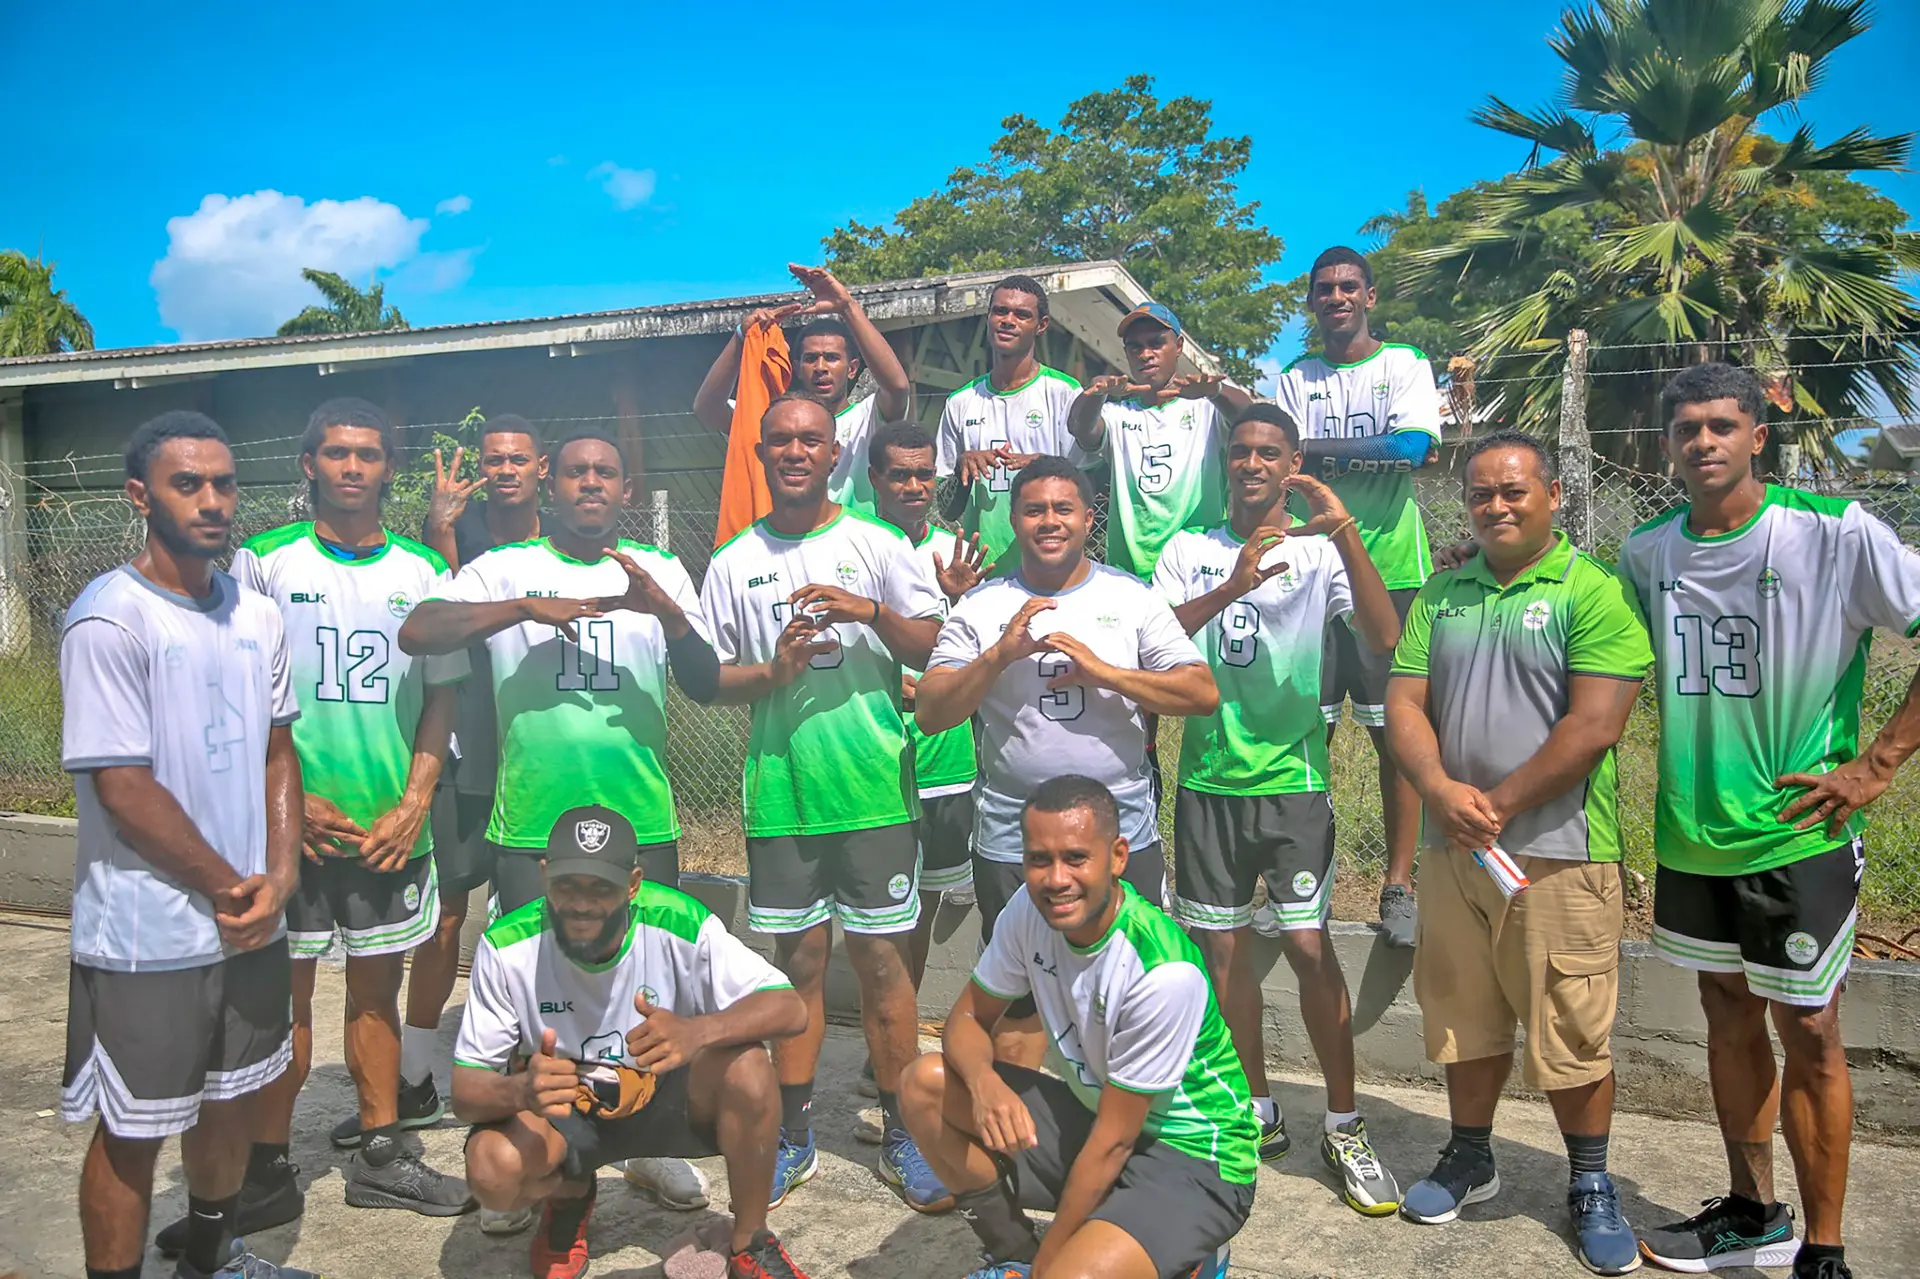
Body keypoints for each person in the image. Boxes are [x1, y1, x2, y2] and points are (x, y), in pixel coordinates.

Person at [1620, 365, 1920, 1279]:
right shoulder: (1645, 552)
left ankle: (1824, 1248)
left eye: (1722, 425)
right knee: (1726, 1012)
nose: (1703, 441)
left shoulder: (1833, 532)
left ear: (1758, 436)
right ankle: (1754, 1211)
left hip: (1799, 834)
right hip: (1692, 835)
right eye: (1686, 428)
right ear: (1667, 445)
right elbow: (1599, 659)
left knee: (1813, 1029)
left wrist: (1876, 763)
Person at [400, 425, 720, 1215]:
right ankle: (542, 1157)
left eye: (605, 472)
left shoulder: (661, 567)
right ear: (553, 484)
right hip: (533, 827)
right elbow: (419, 629)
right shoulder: (508, 567)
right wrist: (520, 608)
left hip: (640, 822)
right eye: (576, 471)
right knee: (532, 999)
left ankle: (646, 1145)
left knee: (649, 991)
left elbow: (707, 680)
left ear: (626, 489)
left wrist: (667, 613)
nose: (590, 482)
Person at [1382, 431, 1651, 1275]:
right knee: (1462, 1013)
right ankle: (1470, 1153)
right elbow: (1404, 702)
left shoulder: (1591, 590)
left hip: (1560, 853)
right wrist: (1438, 789)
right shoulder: (1444, 591)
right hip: (1452, 848)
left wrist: (1495, 804)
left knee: (1570, 1024)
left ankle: (1592, 1181)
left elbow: (1596, 724)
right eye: (1480, 494)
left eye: (1513, 491)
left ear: (1554, 495)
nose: (1495, 506)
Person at [61, 411, 314, 1279]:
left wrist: (280, 875)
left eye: (224, 483)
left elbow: (280, 750)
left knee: (231, 1099)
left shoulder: (257, 613)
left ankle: (214, 1257)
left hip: (252, 920)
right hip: (149, 934)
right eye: (187, 484)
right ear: (140, 496)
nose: (212, 501)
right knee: (132, 1130)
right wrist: (226, 884)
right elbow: (123, 786)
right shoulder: (110, 618)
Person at [224, 397, 473, 1224]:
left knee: (376, 993)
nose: (353, 466)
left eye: (369, 453)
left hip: (384, 829)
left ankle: (380, 1154)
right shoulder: (263, 562)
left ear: (389, 468)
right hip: (288, 830)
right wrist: (289, 800)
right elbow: (236, 696)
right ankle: (265, 1168)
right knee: (279, 1003)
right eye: (337, 452)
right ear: (309, 464)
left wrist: (416, 801)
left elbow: (443, 696)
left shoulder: (425, 573)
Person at [698, 393, 949, 1211]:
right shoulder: (733, 560)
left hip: (873, 791)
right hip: (783, 795)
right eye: (781, 439)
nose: (796, 451)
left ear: (835, 451)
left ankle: (907, 1134)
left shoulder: (878, 543)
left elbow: (936, 644)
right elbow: (709, 679)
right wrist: (770, 672)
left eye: (811, 438)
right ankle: (794, 1134)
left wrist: (867, 609)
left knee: (882, 966)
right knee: (799, 964)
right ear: (762, 452)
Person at [1152, 403, 1404, 1212]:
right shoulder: (1188, 549)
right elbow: (1154, 638)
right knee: (1222, 955)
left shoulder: (1317, 550)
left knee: (1305, 943)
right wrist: (1231, 586)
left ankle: (1343, 1120)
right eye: (1241, 450)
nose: (1252, 463)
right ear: (1226, 462)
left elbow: (1383, 635)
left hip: (1293, 782)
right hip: (1208, 782)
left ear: (1293, 462)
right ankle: (1257, 1104)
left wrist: (1347, 532)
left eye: (1269, 451)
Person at [899, 775, 1255, 1279]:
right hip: (1099, 1120)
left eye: (1075, 858)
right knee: (925, 1085)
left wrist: (1053, 1266)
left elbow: (1113, 1144)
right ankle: (1014, 1252)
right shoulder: (1028, 910)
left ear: (1118, 857)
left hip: (1194, 1157)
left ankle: (1192, 1250)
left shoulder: (1161, 971)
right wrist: (983, 1084)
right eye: (1038, 859)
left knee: (1068, 1274)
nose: (1055, 879)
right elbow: (967, 1019)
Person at [454, 805, 814, 1279]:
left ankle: (750, 1241)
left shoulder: (679, 921)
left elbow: (790, 1008)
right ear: (544, 876)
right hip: (565, 1110)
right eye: (567, 885)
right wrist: (520, 1090)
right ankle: (569, 1196)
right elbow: (466, 1093)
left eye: (600, 888)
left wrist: (698, 1031)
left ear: (632, 883)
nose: (582, 905)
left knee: (748, 1064)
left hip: (666, 1095)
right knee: (492, 1171)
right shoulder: (506, 946)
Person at [915, 456, 1219, 981]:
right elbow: (931, 713)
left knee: (1130, 980)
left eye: (1063, 509)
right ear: (1015, 520)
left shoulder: (1132, 597)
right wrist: (998, 656)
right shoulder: (981, 607)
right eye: (1035, 510)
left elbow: (1201, 692)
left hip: (1118, 827)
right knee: (1020, 989)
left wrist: (1107, 674)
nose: (1050, 522)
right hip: (1013, 834)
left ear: (1088, 518)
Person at [393, 413, 547, 1235]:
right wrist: (439, 526)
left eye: (518, 458)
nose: (505, 469)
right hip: (466, 753)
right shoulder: (459, 535)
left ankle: (531, 1082)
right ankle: (416, 1072)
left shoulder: (559, 543)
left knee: (527, 927)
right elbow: (442, 612)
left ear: (542, 468)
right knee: (445, 915)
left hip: (533, 756)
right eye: (494, 459)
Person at [1274, 246, 1443, 948]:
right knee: (1304, 735)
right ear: (1312, 300)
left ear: (1370, 295)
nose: (1337, 297)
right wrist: (1348, 452)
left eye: (1349, 286)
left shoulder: (1403, 364)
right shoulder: (1296, 376)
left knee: (1394, 733)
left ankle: (1398, 885)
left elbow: (1413, 449)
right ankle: (1300, 878)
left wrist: (1315, 450)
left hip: (1391, 571)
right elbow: (1281, 465)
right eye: (1324, 289)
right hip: (1311, 569)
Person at [693, 263, 913, 514]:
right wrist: (741, 337)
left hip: (852, 540)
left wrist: (847, 307)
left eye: (831, 357)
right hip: (784, 537)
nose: (820, 367)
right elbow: (707, 408)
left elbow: (897, 387)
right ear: (796, 368)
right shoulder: (775, 420)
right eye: (810, 359)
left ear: (852, 368)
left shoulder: (868, 418)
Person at [1066, 301, 1250, 581]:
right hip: (1128, 574)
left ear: (1178, 346)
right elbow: (1080, 428)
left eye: (1156, 343)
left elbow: (1250, 416)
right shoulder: (1117, 415)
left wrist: (1215, 391)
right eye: (1135, 347)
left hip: (1196, 571)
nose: (1145, 354)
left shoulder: (1207, 410)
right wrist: (1096, 392)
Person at [935, 275, 1085, 562]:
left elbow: (1091, 487)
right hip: (982, 570)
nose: (1008, 320)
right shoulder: (960, 401)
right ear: (988, 317)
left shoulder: (1064, 393)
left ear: (1041, 325)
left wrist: (1045, 467)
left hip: (1050, 567)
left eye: (1022, 314)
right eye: (1000, 311)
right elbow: (946, 510)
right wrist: (962, 469)